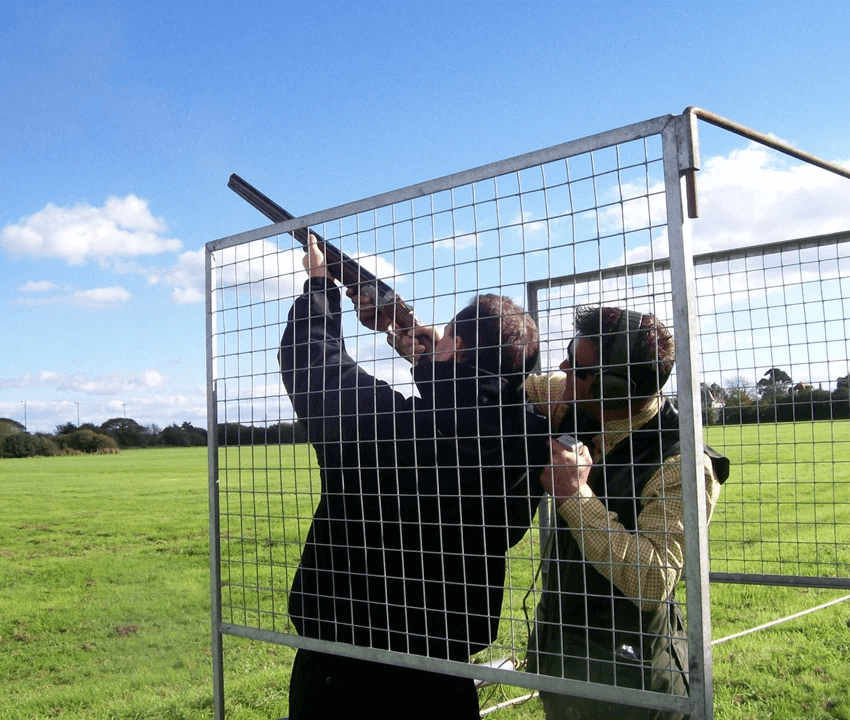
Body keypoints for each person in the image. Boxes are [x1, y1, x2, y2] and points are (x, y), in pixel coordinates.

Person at [278, 235, 551, 720]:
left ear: (460, 348)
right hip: (444, 672)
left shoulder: (390, 427)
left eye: (445, 336)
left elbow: (311, 364)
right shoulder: (528, 439)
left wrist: (320, 287)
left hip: (343, 668)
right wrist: (427, 356)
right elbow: (484, 404)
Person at [524, 305, 729, 720]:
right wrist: (410, 334)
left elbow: (655, 578)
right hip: (562, 652)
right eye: (569, 353)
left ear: (615, 388)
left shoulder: (681, 463)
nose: (562, 368)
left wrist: (574, 495)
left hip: (632, 679)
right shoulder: (574, 397)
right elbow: (498, 382)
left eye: (578, 367)